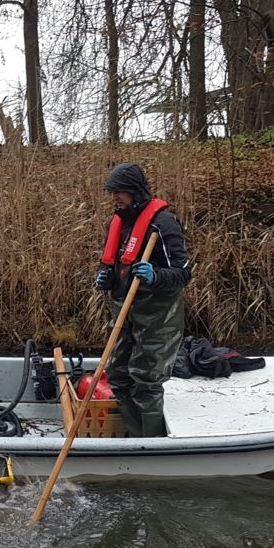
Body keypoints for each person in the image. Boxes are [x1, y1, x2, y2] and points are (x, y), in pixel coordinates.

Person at [93, 163, 191, 437]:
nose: (115, 199)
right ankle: (134, 435)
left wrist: (154, 276)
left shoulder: (163, 224)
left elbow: (183, 273)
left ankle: (152, 442)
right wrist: (105, 277)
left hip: (158, 317)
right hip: (124, 312)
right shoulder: (119, 221)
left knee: (146, 380)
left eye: (119, 193)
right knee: (118, 375)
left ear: (135, 192)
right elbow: (113, 264)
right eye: (112, 193)